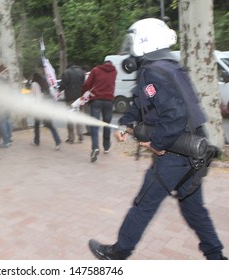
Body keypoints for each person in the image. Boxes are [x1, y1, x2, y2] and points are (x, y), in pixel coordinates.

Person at [88, 18, 227, 260]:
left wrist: (156, 143)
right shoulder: (171, 66)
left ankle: (119, 252)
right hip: (194, 151)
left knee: (144, 204)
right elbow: (144, 104)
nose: (130, 46)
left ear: (144, 41)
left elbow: (174, 115)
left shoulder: (152, 71)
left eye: (133, 40)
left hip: (174, 153)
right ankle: (217, 258)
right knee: (193, 207)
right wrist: (126, 123)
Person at [82, 59, 117, 163]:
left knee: (95, 125)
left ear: (103, 63)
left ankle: (95, 148)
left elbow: (87, 84)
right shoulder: (114, 72)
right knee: (107, 124)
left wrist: (85, 93)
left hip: (96, 100)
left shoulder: (95, 70)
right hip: (109, 100)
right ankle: (106, 147)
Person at [30, 72, 61, 150]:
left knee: (37, 125)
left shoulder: (34, 84)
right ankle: (57, 141)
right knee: (50, 125)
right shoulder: (45, 83)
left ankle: (36, 141)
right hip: (46, 107)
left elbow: (33, 97)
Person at [58, 63, 85, 144]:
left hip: (70, 98)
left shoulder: (66, 73)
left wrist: (59, 90)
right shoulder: (81, 72)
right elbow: (84, 84)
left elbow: (63, 84)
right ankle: (80, 137)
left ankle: (71, 138)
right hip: (79, 99)